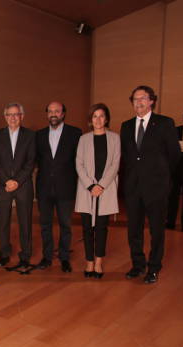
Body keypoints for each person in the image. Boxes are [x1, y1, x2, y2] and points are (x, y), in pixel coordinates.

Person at [121, 85, 180, 284]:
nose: (139, 102)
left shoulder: (164, 123)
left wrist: (163, 181)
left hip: (156, 188)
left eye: (143, 98)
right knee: (134, 230)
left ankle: (154, 268)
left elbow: (174, 156)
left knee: (156, 231)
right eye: (135, 99)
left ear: (152, 101)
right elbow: (127, 158)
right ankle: (138, 265)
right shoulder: (126, 126)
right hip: (133, 188)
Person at [35, 101, 82, 273]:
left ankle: (64, 258)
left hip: (66, 187)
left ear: (63, 114)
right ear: (47, 114)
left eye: (57, 111)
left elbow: (80, 161)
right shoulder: (39, 135)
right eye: (50, 111)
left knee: (65, 225)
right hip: (44, 188)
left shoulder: (75, 133)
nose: (53, 114)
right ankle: (47, 257)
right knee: (45, 224)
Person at [75, 103, 120, 279]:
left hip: (105, 189)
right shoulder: (83, 139)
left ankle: (99, 262)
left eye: (101, 116)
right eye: (95, 116)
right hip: (87, 190)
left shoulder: (115, 138)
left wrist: (101, 185)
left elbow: (115, 164)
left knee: (101, 228)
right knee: (87, 228)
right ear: (90, 120)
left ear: (106, 118)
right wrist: (90, 185)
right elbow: (79, 163)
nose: (98, 119)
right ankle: (89, 262)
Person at [0, 103, 35, 268]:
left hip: (23, 185)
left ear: (22, 116)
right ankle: (4, 254)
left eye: (16, 114)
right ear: (5, 117)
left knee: (25, 222)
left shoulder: (30, 136)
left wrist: (17, 181)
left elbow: (31, 162)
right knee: (3, 222)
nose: (13, 118)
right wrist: (6, 181)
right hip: (3, 185)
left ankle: (25, 255)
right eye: (9, 115)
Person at [166, 106, 183, 232]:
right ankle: (170, 222)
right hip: (175, 169)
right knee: (172, 196)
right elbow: (170, 147)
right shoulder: (175, 130)